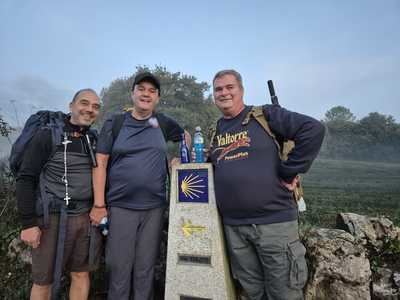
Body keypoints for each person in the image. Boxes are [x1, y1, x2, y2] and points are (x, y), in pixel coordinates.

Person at [207, 70, 325, 300]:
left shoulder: (264, 115)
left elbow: (314, 130)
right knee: (252, 293)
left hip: (274, 224)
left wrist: (289, 170)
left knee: (284, 293)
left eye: (229, 87)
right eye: (218, 89)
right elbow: (212, 166)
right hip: (234, 228)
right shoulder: (216, 130)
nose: (224, 92)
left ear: (241, 90)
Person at [90, 72, 188, 300]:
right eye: (141, 89)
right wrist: (99, 204)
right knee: (119, 269)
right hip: (121, 207)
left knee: (145, 269)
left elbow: (185, 136)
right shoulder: (116, 123)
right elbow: (100, 163)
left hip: (154, 208)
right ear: (133, 93)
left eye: (152, 91)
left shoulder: (160, 122)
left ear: (157, 98)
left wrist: (181, 157)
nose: (146, 94)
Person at [16, 89, 102, 300]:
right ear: (71, 105)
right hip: (51, 218)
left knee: (81, 274)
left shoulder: (92, 139)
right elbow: (26, 178)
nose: (90, 110)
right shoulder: (48, 135)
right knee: (43, 281)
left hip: (85, 217)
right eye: (84, 103)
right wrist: (28, 224)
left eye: (95, 107)